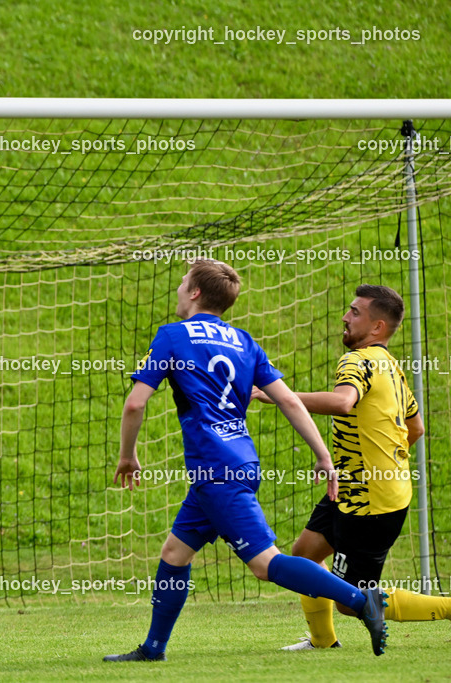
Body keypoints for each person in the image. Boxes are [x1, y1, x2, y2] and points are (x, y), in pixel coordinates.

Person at [104, 260, 388, 663]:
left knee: (265, 564)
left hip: (217, 471)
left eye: (184, 281)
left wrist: (127, 455)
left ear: (196, 292)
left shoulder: (171, 336)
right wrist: (323, 456)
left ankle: (362, 601)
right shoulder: (244, 341)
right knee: (174, 554)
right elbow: (288, 400)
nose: (180, 287)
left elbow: (135, 404)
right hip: (234, 465)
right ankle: (153, 648)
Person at [251, 284, 451, 650]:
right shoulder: (391, 366)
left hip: (370, 502)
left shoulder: (356, 360)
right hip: (356, 487)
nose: (345, 317)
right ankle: (322, 642)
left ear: (377, 327)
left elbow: (344, 402)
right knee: (306, 554)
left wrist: (276, 395)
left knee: (351, 600)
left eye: (355, 312)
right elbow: (416, 427)